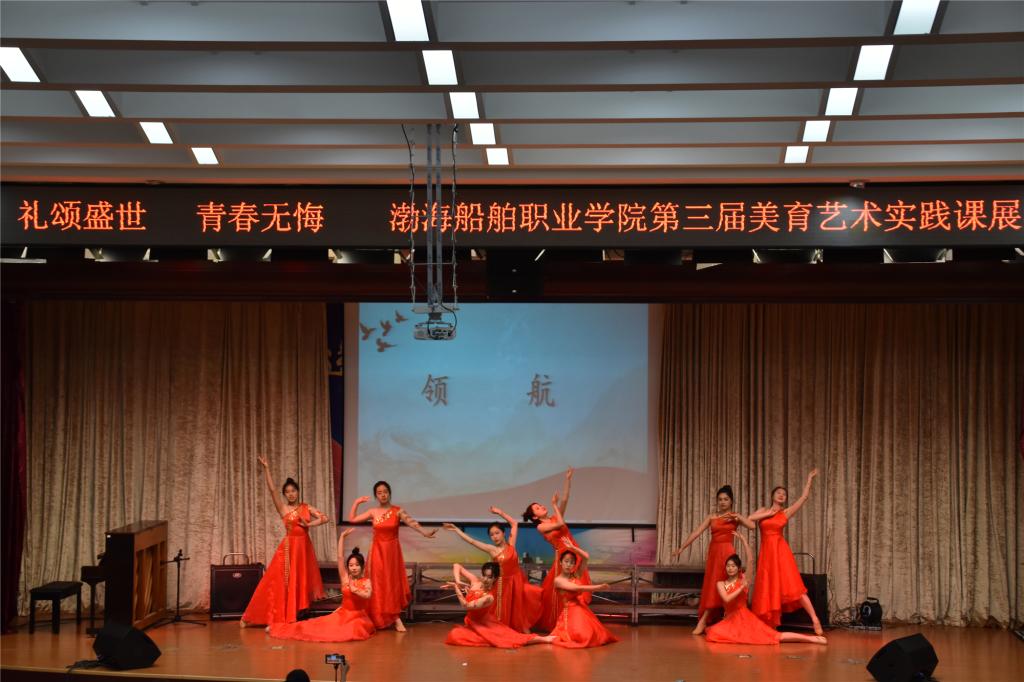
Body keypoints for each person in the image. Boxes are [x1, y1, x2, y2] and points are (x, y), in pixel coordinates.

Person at [241, 456, 327, 626]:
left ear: (298, 491)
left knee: (299, 581)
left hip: (304, 548)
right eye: (287, 492)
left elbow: (325, 518)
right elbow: (272, 490)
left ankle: (293, 613)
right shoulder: (283, 508)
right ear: (285, 494)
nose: (291, 494)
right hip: (289, 548)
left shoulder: (306, 507)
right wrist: (267, 468)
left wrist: (309, 524)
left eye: (293, 490)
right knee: (277, 582)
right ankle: (251, 617)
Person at [705, 532, 826, 645]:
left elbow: (750, 560)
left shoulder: (743, 579)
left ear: (738, 568)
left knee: (774, 636)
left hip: (745, 619)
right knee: (713, 633)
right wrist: (741, 588)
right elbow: (726, 598)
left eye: (733, 566)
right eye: (728, 566)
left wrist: (744, 541)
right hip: (730, 621)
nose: (730, 568)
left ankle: (811, 639)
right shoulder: (721, 583)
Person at [349, 480, 436, 631]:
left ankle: (395, 617)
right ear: (376, 496)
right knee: (377, 583)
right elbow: (352, 519)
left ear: (389, 493)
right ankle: (376, 616)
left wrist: (424, 532)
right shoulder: (373, 512)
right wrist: (356, 502)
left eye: (385, 492)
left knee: (391, 583)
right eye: (379, 493)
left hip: (392, 552)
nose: (383, 495)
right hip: (377, 551)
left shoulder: (398, 511)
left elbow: (412, 522)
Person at [442, 506, 541, 632]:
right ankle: (501, 630)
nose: (495, 537)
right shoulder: (492, 549)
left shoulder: (511, 544)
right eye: (491, 535)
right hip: (501, 584)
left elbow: (514, 523)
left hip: (517, 580)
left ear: (503, 533)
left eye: (497, 533)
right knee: (501, 610)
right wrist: (457, 530)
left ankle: (519, 628)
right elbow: (472, 541)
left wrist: (500, 512)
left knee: (522, 603)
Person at [670, 484, 752, 635]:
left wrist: (738, 517)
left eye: (726, 499)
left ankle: (713, 621)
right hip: (714, 553)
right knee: (713, 586)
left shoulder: (734, 516)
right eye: (720, 499)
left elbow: (752, 525)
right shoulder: (712, 517)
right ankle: (706, 621)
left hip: (727, 553)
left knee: (729, 585)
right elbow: (697, 532)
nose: (722, 502)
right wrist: (682, 547)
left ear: (731, 501)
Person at [748, 469, 824, 634]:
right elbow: (749, 519)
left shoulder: (785, 512)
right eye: (779, 493)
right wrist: (768, 513)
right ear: (772, 496)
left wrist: (809, 479)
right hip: (767, 555)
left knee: (795, 586)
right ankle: (771, 625)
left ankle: (815, 619)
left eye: (784, 494)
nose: (782, 495)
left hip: (781, 552)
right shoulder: (763, 510)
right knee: (768, 589)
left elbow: (803, 498)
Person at [268, 528, 375, 642]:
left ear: (362, 566)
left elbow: (367, 595)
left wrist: (355, 590)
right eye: (351, 565)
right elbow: (340, 558)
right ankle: (280, 629)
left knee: (351, 631)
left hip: (357, 618)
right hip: (343, 614)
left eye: (357, 565)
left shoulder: (366, 581)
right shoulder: (345, 578)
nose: (354, 568)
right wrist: (342, 537)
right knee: (316, 626)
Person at [522, 467, 593, 631]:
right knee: (563, 591)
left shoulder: (555, 516)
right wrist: (554, 505)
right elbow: (560, 524)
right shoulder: (541, 527)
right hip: (563, 557)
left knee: (577, 589)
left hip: (575, 552)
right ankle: (561, 623)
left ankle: (576, 624)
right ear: (535, 516)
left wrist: (568, 480)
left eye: (540, 505)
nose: (541, 506)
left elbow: (565, 499)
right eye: (537, 508)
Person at [444, 562, 555, 649]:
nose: (485, 579)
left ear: (495, 579)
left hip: (484, 625)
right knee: (454, 635)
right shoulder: (475, 582)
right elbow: (456, 566)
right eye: (484, 575)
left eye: (489, 577)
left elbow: (466, 605)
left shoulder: (489, 597)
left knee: (511, 638)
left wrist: (456, 588)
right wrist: (458, 581)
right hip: (472, 623)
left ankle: (544, 639)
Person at [549, 545, 617, 648]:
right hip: (570, 611)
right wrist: (598, 587)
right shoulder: (558, 580)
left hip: (581, 608)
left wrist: (573, 548)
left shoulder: (575, 575)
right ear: (560, 562)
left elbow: (586, 557)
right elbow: (576, 588)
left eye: (572, 562)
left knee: (597, 635)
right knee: (583, 637)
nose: (568, 565)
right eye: (566, 561)